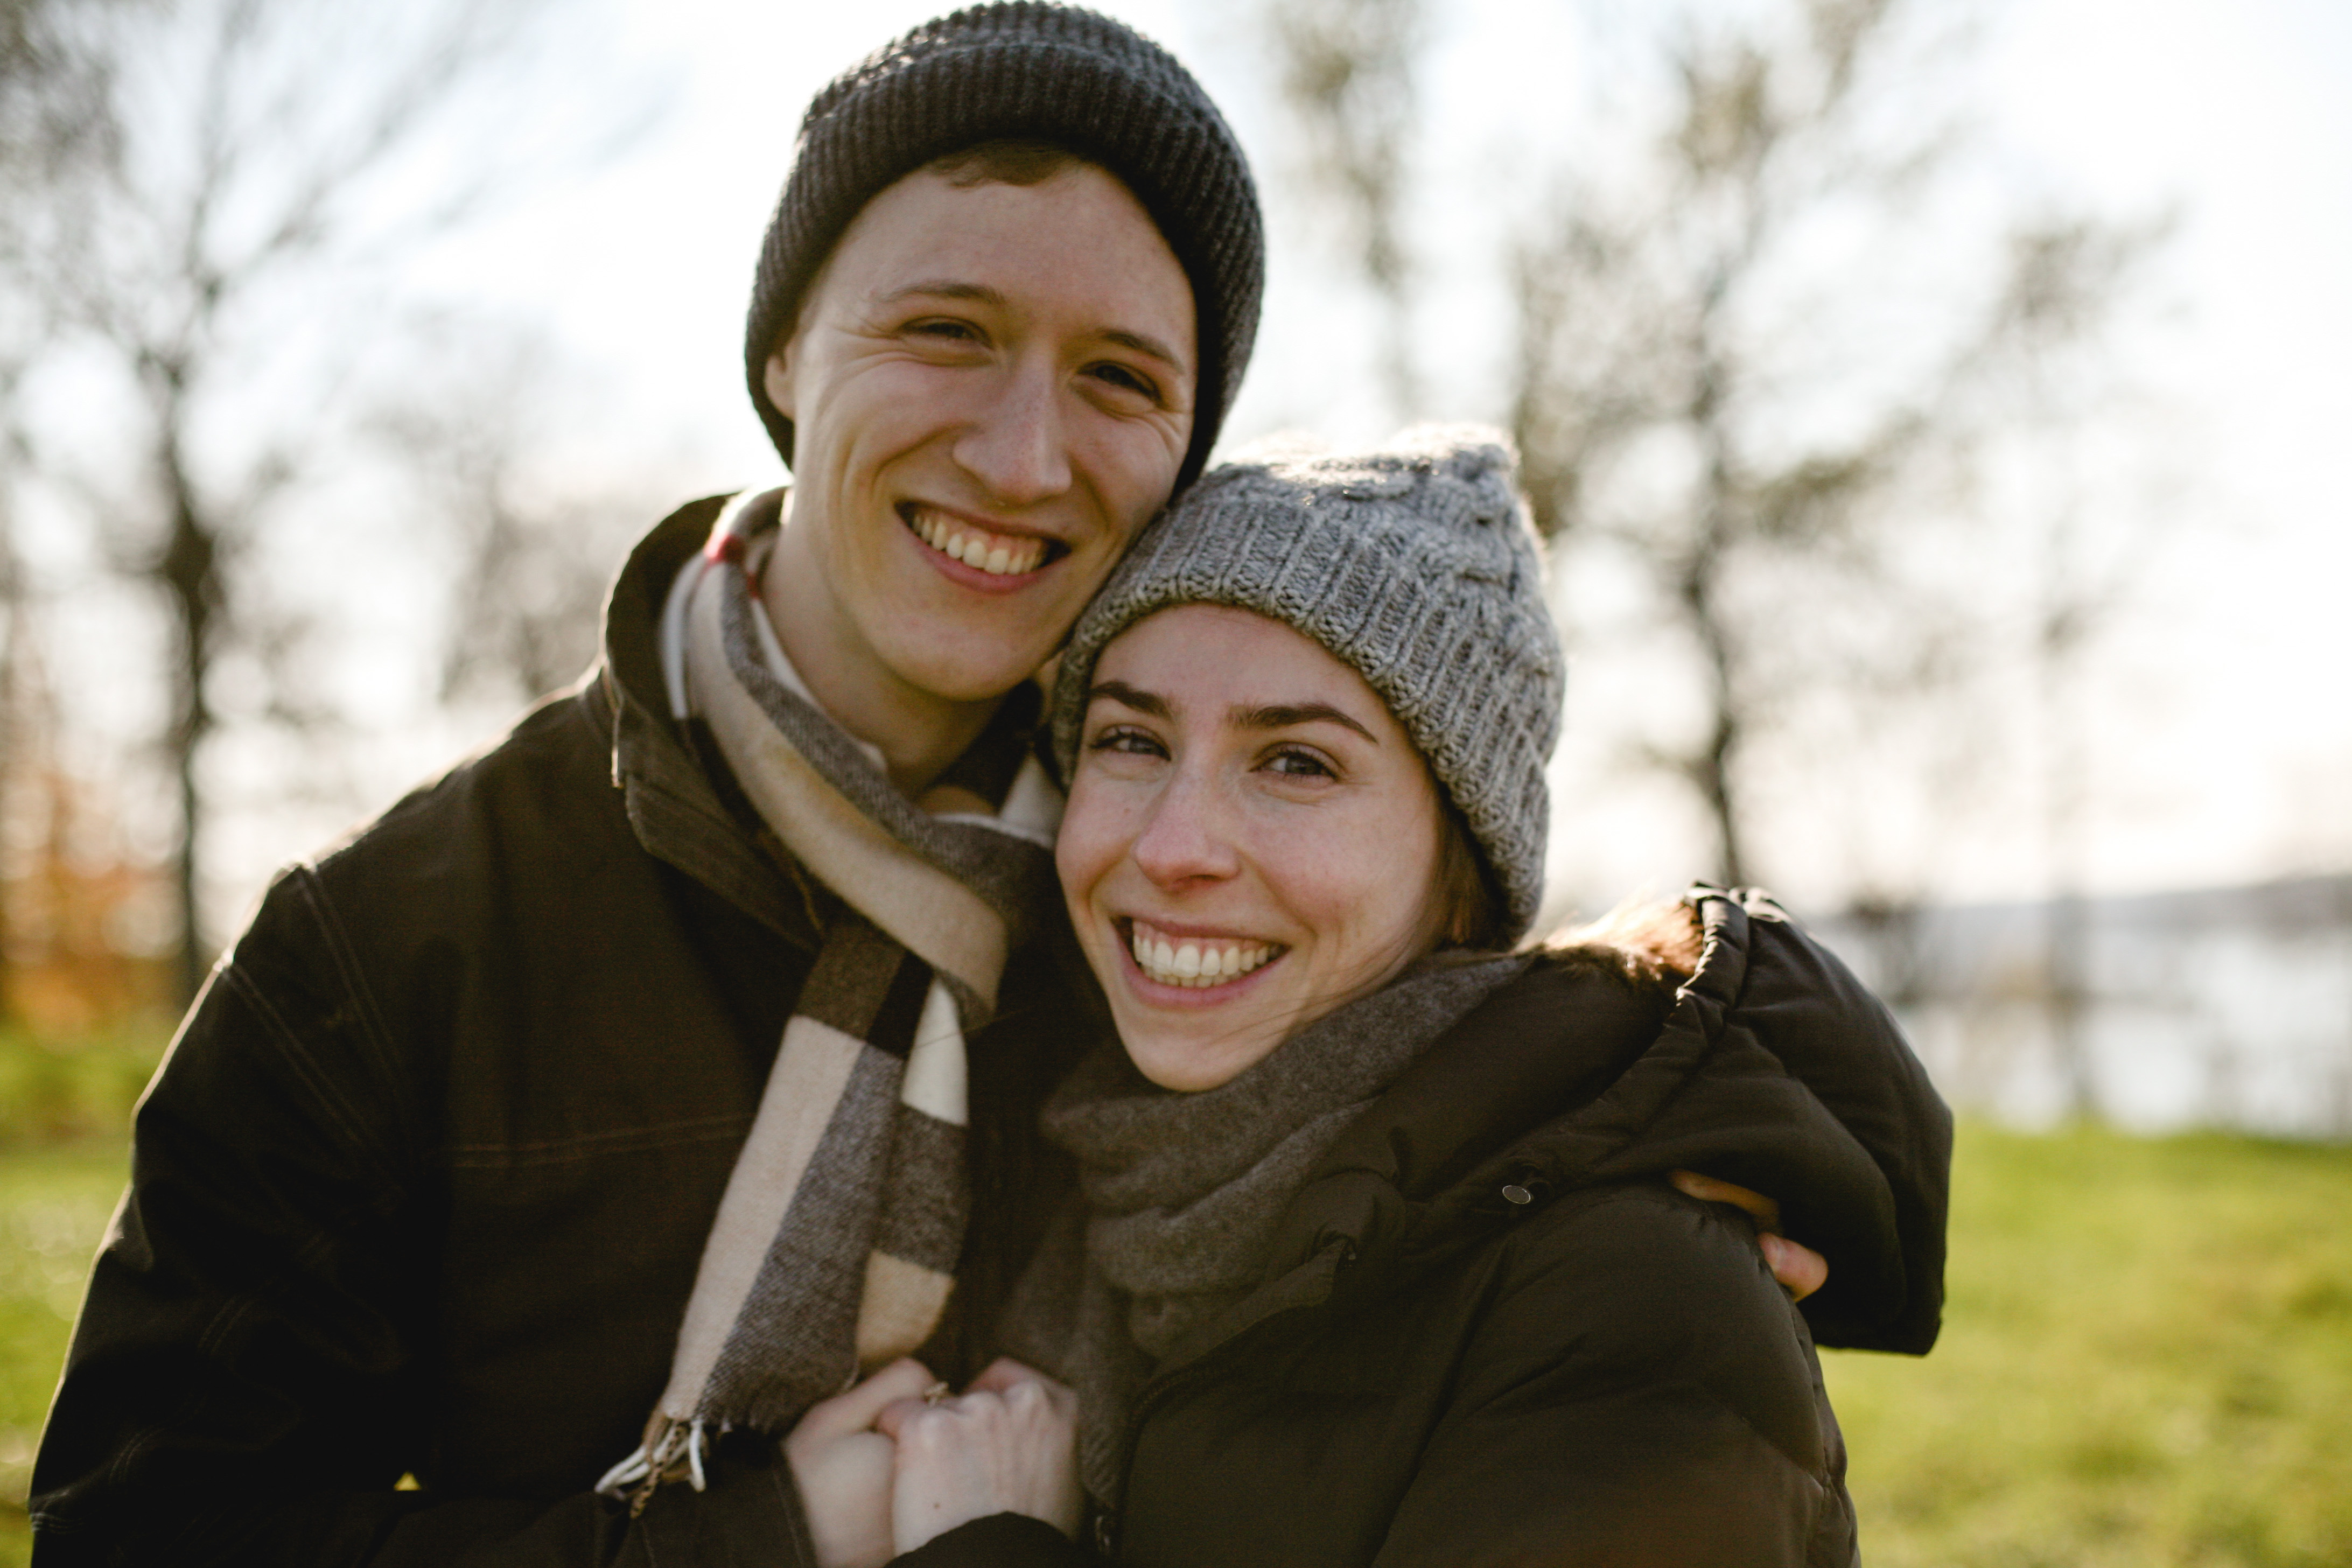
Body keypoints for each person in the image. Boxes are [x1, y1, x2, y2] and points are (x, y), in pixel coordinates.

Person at [29, 8, 1822, 1565]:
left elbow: (1473, 1080)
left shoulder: (1168, 908)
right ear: (784, 355)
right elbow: (151, 1533)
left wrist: (1695, 1155)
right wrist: (762, 1544)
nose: (1024, 450)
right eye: (947, 330)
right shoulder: (396, 943)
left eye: (1118, 378)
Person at [834, 430, 1951, 1565]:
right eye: (1130, 739)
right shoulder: (1082, 1202)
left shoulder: (1634, 1296)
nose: (1172, 846)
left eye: (1297, 763)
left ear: (1459, 870)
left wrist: (983, 1547)